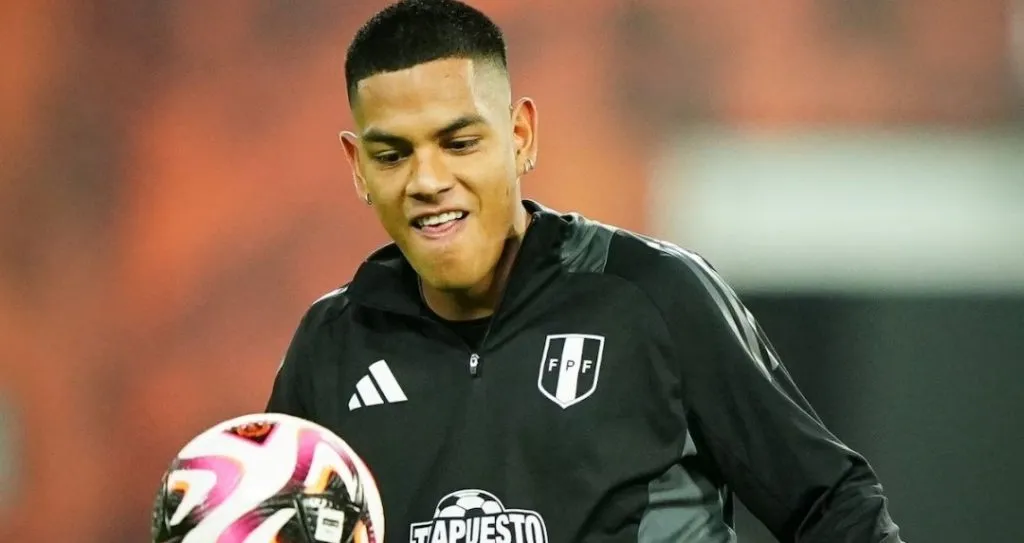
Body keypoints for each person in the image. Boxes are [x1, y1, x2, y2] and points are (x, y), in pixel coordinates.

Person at [266, 1, 904, 541]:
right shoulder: (331, 345)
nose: (428, 181)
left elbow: (833, 504)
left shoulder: (652, 296)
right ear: (358, 168)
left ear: (521, 136)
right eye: (392, 154)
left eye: (460, 144)